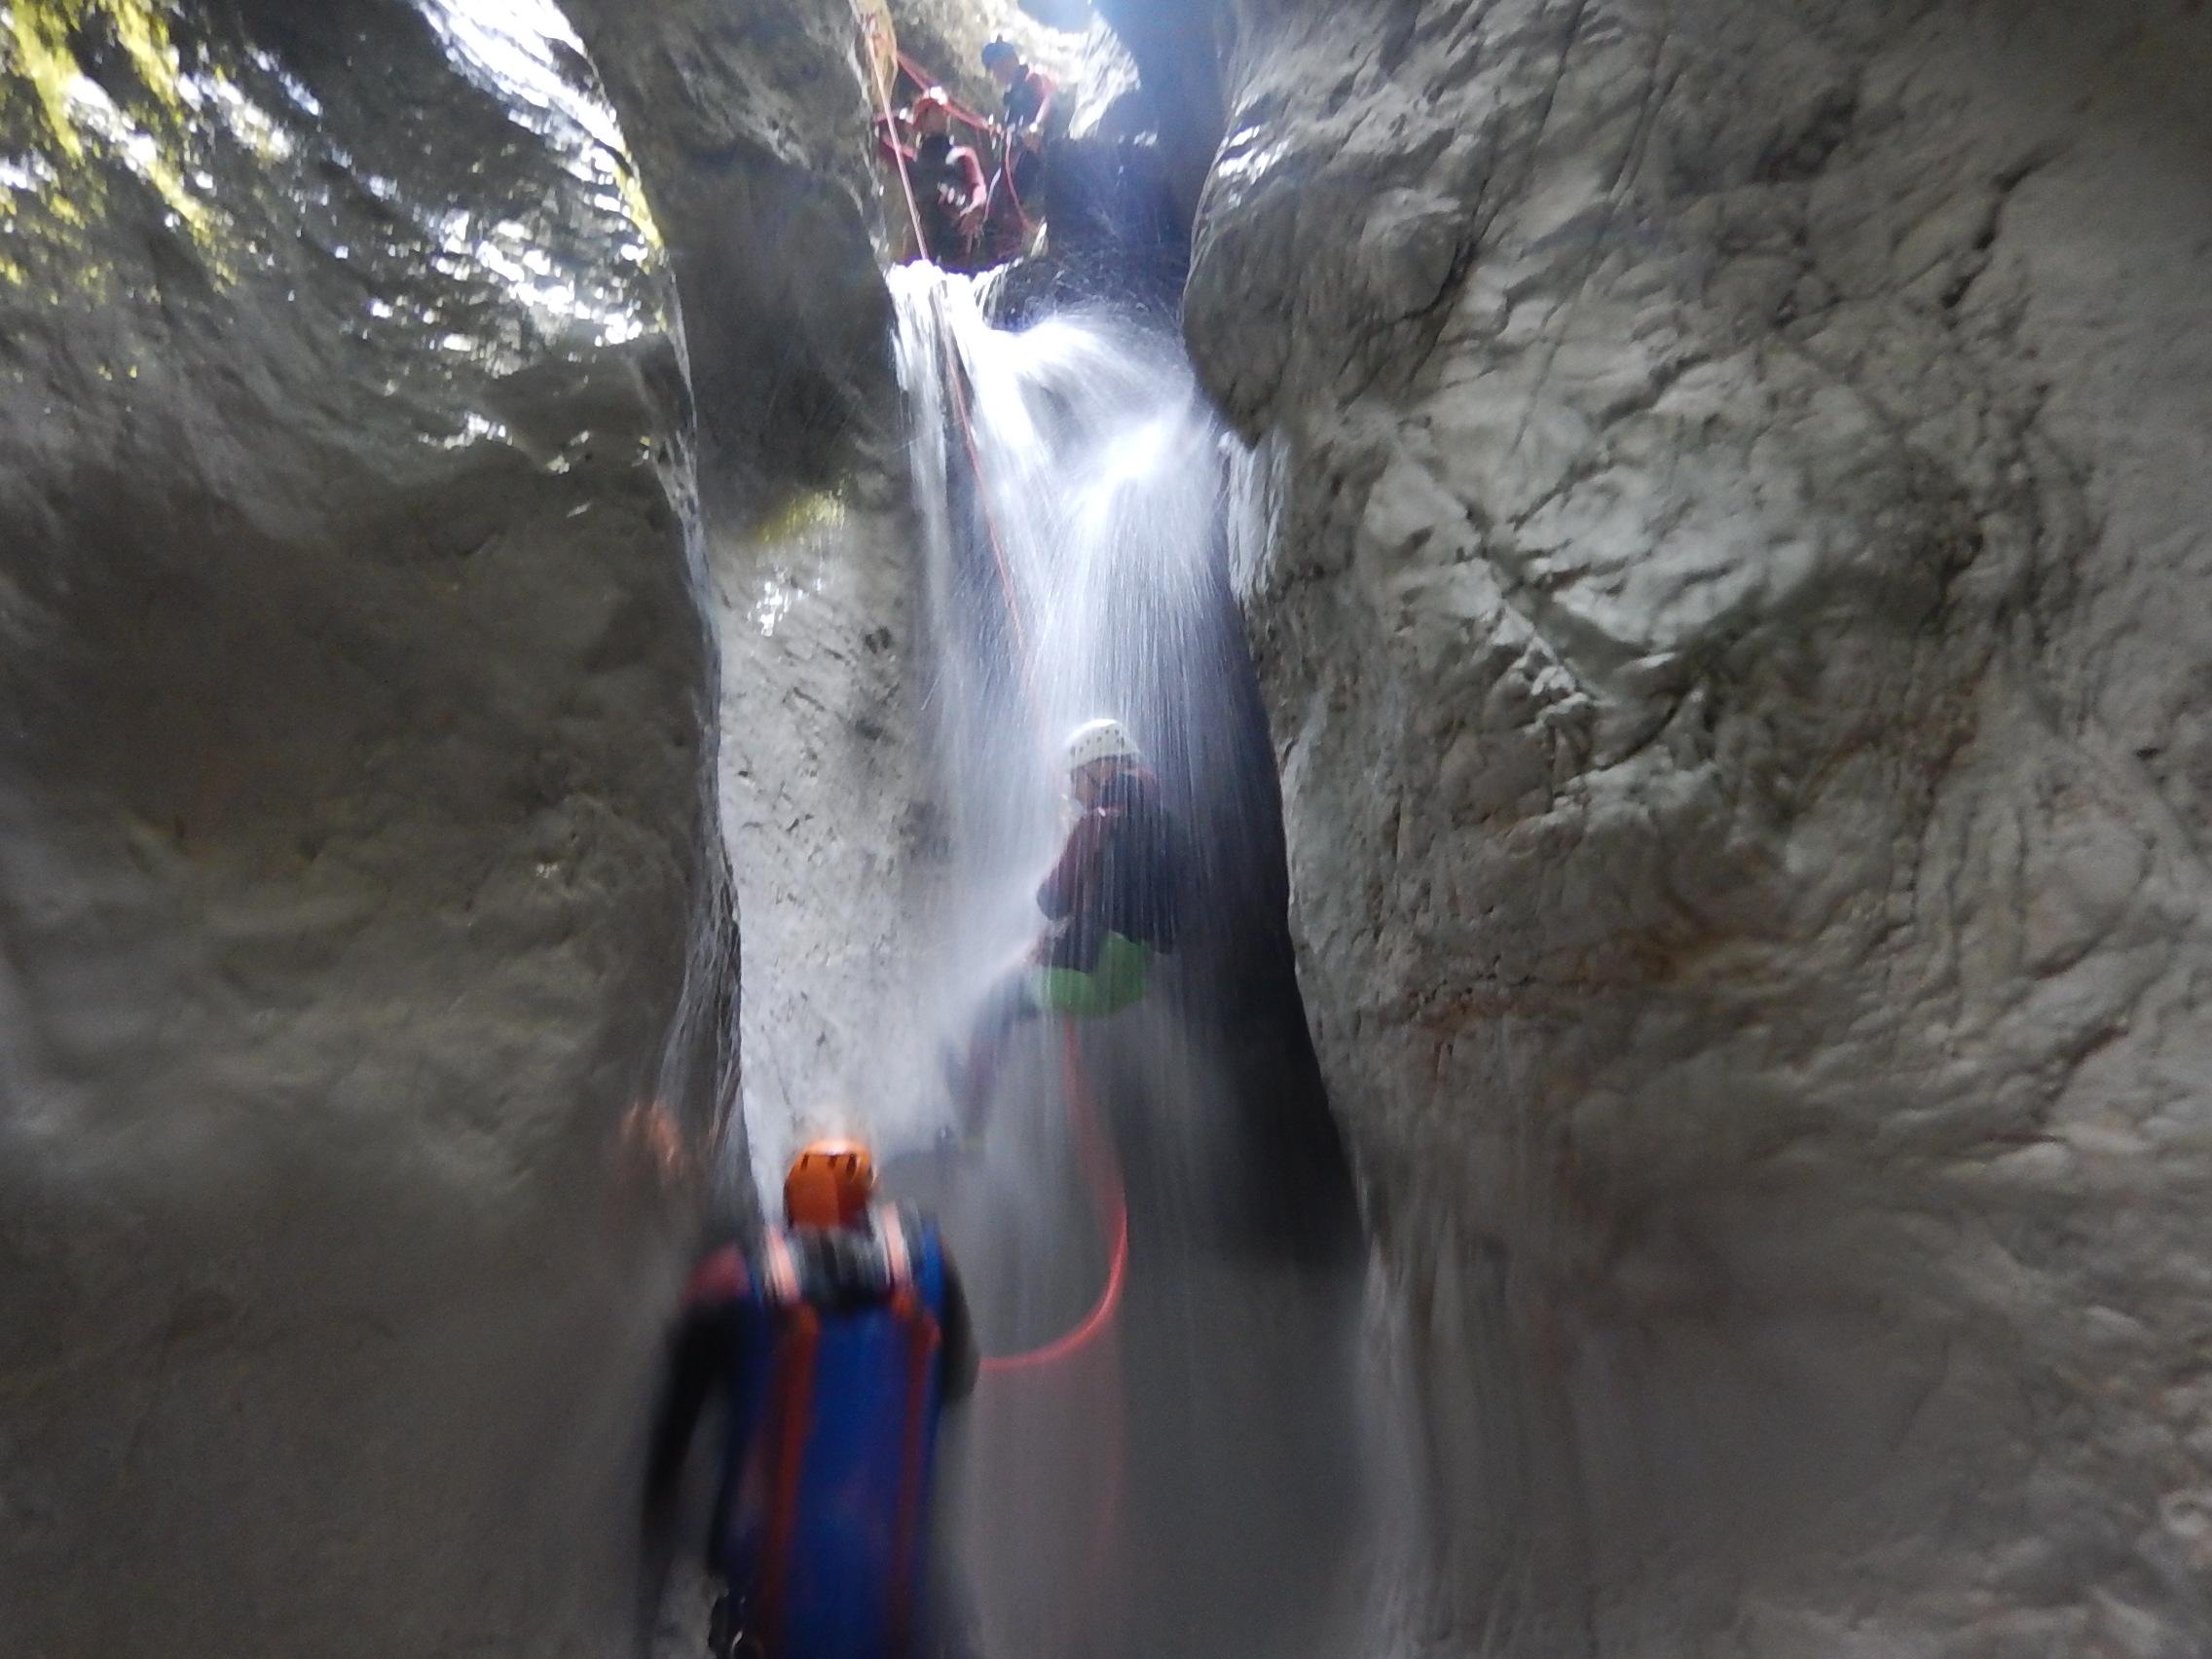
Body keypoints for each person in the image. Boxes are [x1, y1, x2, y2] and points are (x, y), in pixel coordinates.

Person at [644, 1138, 978, 1659]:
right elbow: (956, 1382)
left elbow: (673, 1440)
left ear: (790, 1207)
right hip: (895, 1594)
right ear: (867, 1203)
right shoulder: (931, 1263)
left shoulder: (735, 1281)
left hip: (768, 1602)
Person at [946, 719, 1179, 1139]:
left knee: (993, 1006)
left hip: (1089, 976)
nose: (1073, 791)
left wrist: (1077, 843)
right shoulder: (1165, 823)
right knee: (1023, 969)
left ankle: (969, 1136)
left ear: (1103, 767)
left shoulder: (1099, 823)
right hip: (1131, 978)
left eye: (1077, 777)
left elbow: (1050, 901)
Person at [978, 38, 1056, 264]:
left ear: (1013, 59)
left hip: (1038, 167)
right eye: (994, 68)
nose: (998, 71)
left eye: (1001, 63)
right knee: (995, 220)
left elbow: (1050, 98)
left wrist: (1037, 127)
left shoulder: (1033, 78)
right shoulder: (1012, 105)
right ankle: (1002, 260)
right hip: (1016, 177)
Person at [904, 87, 988, 271]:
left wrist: (976, 208)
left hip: (958, 235)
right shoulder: (910, 160)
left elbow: (978, 186)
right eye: (937, 111)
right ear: (923, 120)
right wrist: (899, 118)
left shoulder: (963, 155)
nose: (944, 115)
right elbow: (879, 138)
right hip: (927, 237)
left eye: (944, 111)